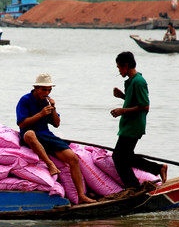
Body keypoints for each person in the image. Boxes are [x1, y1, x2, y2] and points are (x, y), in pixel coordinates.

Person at [16, 73, 96, 204]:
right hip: (29, 135)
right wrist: (40, 114)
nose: (46, 92)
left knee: (73, 159)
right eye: (43, 89)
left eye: (49, 90)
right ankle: (50, 164)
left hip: (46, 135)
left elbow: (56, 124)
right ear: (36, 88)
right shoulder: (25, 100)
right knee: (30, 134)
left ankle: (81, 195)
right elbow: (22, 123)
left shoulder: (46, 102)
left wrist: (53, 109)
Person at [110, 52, 167, 189]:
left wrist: (122, 110)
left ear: (126, 65)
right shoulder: (131, 81)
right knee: (124, 157)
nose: (119, 71)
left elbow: (145, 106)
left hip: (133, 125)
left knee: (119, 157)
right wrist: (123, 96)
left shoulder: (138, 81)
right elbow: (135, 102)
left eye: (119, 67)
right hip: (128, 124)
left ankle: (153, 172)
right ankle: (135, 186)